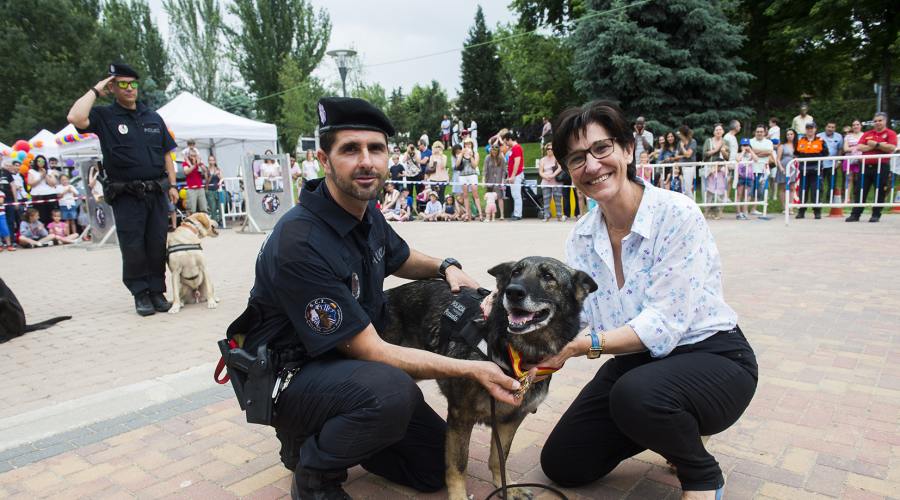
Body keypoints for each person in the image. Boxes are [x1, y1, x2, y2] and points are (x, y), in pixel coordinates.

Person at [233, 97, 523, 500]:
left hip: (345, 368)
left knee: (431, 469)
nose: (366, 161)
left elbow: (401, 257)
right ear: (324, 159)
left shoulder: (364, 211)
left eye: (376, 148)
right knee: (391, 391)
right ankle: (313, 471)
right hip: (294, 377)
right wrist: (471, 370)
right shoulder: (300, 242)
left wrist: (447, 266)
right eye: (350, 149)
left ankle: (347, 435)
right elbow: (371, 350)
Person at [504, 100, 758, 500]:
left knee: (636, 395)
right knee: (564, 464)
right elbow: (576, 315)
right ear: (568, 171)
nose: (591, 166)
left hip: (713, 357)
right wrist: (507, 314)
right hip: (639, 366)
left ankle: (701, 475)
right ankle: (668, 426)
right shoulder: (582, 238)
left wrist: (575, 349)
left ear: (627, 149)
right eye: (575, 158)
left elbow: (665, 324)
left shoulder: (677, 215)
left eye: (601, 149)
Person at [67, 62, 178, 316]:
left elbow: (166, 153)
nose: (130, 88)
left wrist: (171, 184)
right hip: (127, 194)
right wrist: (96, 90)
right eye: (123, 84)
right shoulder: (105, 117)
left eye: (133, 84)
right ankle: (140, 293)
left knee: (156, 243)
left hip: (155, 192)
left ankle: (156, 291)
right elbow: (75, 117)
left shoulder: (152, 117)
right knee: (133, 245)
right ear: (112, 87)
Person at [847, 112, 898, 223]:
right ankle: (855, 214)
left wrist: (876, 144)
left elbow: (891, 147)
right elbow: (860, 147)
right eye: (875, 121)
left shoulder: (891, 133)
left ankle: (876, 214)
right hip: (865, 166)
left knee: (880, 190)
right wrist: (877, 146)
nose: (877, 123)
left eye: (880, 120)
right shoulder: (868, 133)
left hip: (881, 166)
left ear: (885, 121)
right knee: (860, 190)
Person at [795, 122, 827, 219]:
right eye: (808, 128)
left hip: (816, 169)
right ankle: (801, 211)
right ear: (806, 129)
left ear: (815, 129)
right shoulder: (800, 141)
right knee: (803, 190)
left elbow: (826, 154)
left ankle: (817, 211)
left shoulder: (821, 141)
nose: (810, 130)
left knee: (816, 190)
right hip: (804, 169)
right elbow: (796, 154)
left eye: (811, 128)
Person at [26, 155, 60, 225]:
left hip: (50, 194)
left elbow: (53, 183)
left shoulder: (49, 171)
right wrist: (40, 177)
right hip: (38, 195)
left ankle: (52, 230)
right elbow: (31, 183)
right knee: (40, 215)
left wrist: (45, 175)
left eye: (43, 161)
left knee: (51, 214)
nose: (41, 162)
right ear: (36, 162)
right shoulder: (32, 171)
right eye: (39, 161)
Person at [749, 124, 775, 214]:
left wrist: (754, 153)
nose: (759, 133)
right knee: (749, 190)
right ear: (755, 132)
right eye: (757, 131)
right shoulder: (750, 141)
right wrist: (761, 152)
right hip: (751, 170)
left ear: (764, 132)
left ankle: (753, 209)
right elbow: (749, 150)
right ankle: (745, 210)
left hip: (763, 170)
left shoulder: (768, 142)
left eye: (761, 132)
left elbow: (769, 152)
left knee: (759, 190)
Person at [816, 121, 843, 203]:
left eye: (832, 127)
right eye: (829, 127)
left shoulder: (839, 137)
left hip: (833, 164)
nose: (830, 129)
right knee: (819, 182)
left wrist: (839, 161)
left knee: (832, 183)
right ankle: (818, 198)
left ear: (835, 128)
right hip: (821, 163)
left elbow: (840, 149)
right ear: (825, 127)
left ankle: (830, 199)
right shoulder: (819, 136)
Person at [539, 143, 564, 222]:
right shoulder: (542, 160)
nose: (550, 150)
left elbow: (560, 168)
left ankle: (559, 216)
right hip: (546, 181)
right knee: (546, 199)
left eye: (551, 149)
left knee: (557, 199)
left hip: (556, 181)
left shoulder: (557, 158)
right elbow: (540, 171)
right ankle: (546, 216)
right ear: (546, 150)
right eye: (548, 149)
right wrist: (545, 176)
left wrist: (553, 175)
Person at [459, 139, 483, 222]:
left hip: (472, 175)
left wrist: (471, 156)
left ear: (472, 145)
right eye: (466, 144)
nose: (467, 146)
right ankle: (467, 215)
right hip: (463, 175)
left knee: (475, 194)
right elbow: (457, 164)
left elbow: (475, 165)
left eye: (469, 144)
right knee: (465, 195)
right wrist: (461, 154)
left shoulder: (476, 154)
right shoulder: (461, 153)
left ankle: (480, 214)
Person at [702, 124, 727, 203]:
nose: (718, 131)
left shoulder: (726, 142)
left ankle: (717, 209)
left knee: (719, 188)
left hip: (720, 169)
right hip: (709, 167)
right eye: (716, 130)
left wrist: (723, 151)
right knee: (706, 188)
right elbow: (704, 154)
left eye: (720, 129)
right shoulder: (708, 141)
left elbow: (727, 156)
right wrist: (717, 149)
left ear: (723, 131)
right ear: (714, 132)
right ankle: (706, 207)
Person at [735, 139, 758, 219]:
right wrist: (743, 152)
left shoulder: (751, 154)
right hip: (741, 176)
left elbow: (756, 159)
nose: (745, 147)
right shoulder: (738, 154)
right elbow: (738, 159)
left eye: (747, 145)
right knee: (739, 195)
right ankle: (738, 213)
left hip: (749, 176)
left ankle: (745, 212)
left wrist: (750, 151)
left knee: (747, 195)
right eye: (744, 145)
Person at [504, 132, 524, 221]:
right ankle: (516, 212)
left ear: (510, 139)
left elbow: (517, 163)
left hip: (517, 174)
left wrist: (512, 176)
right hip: (513, 175)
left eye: (506, 142)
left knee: (516, 195)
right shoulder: (513, 149)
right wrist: (509, 176)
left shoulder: (517, 148)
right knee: (514, 194)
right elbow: (511, 164)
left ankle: (518, 214)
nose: (506, 144)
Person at [482, 145, 507, 220]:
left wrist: (502, 182)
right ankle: (489, 215)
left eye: (496, 153)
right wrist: (483, 180)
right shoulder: (487, 158)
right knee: (489, 197)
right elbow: (485, 169)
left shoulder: (501, 158)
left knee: (499, 197)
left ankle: (502, 214)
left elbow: (503, 171)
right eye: (493, 153)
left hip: (499, 180)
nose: (494, 154)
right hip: (490, 180)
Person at [704, 146, 729, 219]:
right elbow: (711, 172)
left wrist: (724, 165)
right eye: (718, 165)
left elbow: (727, 173)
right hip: (713, 189)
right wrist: (714, 165)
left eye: (720, 166)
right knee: (717, 200)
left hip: (720, 189)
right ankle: (709, 211)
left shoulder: (722, 172)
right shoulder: (713, 171)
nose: (719, 167)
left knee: (716, 201)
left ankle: (714, 214)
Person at [843, 119, 864, 202]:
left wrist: (853, 148)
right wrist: (857, 148)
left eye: (857, 124)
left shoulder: (864, 135)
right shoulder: (848, 136)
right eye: (854, 125)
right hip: (849, 158)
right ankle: (847, 198)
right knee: (849, 178)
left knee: (858, 178)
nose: (855, 126)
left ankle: (858, 198)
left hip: (860, 158)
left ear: (860, 126)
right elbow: (846, 149)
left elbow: (865, 147)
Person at [673, 125, 697, 199]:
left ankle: (693, 206)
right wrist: (683, 155)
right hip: (681, 167)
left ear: (682, 133)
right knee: (683, 189)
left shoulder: (692, 141)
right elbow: (676, 156)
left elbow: (688, 155)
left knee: (687, 189)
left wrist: (682, 147)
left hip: (689, 167)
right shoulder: (680, 142)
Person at [183, 150, 208, 216]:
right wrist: (193, 165)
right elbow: (186, 172)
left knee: (203, 207)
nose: (193, 157)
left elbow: (205, 170)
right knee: (191, 208)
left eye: (194, 156)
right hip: (191, 188)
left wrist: (199, 164)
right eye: (192, 156)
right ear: (189, 156)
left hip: (200, 188)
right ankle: (190, 223)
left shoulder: (199, 163)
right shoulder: (185, 163)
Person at [780, 128, 797, 213]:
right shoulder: (782, 146)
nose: (789, 136)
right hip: (784, 166)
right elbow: (778, 158)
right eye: (788, 134)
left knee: (792, 187)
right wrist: (780, 167)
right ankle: (784, 208)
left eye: (791, 134)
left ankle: (791, 207)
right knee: (783, 187)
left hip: (794, 167)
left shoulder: (797, 145)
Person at [206, 156, 222, 227]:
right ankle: (214, 221)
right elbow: (207, 182)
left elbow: (221, 179)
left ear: (215, 161)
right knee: (213, 207)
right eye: (210, 160)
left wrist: (218, 174)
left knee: (221, 205)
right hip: (210, 190)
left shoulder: (218, 169)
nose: (211, 162)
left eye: (212, 160)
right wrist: (211, 175)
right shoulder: (207, 170)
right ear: (208, 161)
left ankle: (221, 220)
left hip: (218, 189)